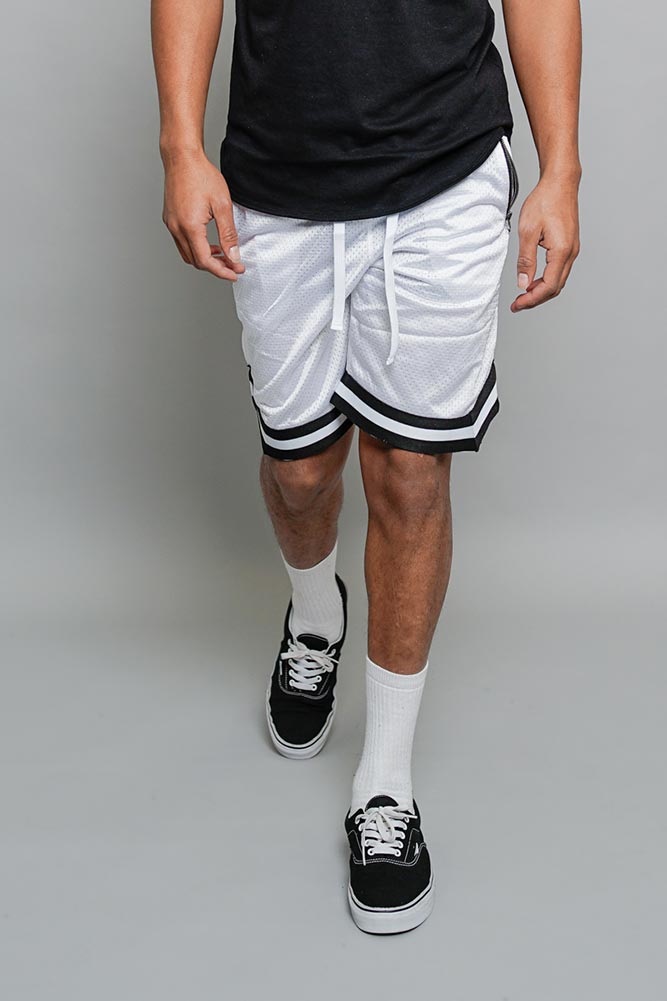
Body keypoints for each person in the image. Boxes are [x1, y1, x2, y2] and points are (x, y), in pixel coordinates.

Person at [151, 0, 581, 934]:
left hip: (445, 168)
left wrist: (562, 168)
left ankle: (384, 783)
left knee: (412, 476)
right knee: (301, 473)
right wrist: (180, 146)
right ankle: (316, 617)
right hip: (279, 173)